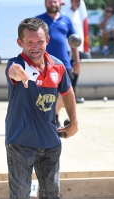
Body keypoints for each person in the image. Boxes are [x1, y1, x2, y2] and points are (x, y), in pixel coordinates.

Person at [5, 17, 78, 199]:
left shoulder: (58, 66)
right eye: (29, 42)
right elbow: (13, 71)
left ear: (48, 41)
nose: (35, 46)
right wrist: (20, 75)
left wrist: (74, 122)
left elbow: (67, 92)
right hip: (20, 144)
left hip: (50, 144)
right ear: (20, 43)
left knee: (52, 197)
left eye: (40, 41)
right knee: (20, 197)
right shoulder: (17, 64)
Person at [37, 0, 80, 128]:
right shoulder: (38, 21)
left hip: (63, 64)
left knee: (65, 92)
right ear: (45, 3)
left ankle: (54, 114)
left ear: (59, 3)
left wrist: (77, 61)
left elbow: (74, 42)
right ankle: (46, 120)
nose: (52, 4)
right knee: (44, 95)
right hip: (43, 64)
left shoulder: (66, 20)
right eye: (49, 1)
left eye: (54, 1)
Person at [62, 0, 86, 104]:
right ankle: (67, 97)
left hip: (78, 48)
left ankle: (73, 95)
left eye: (79, 1)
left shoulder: (77, 13)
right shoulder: (68, 14)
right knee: (70, 73)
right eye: (75, 1)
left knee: (76, 72)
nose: (77, 3)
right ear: (71, 2)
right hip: (70, 48)